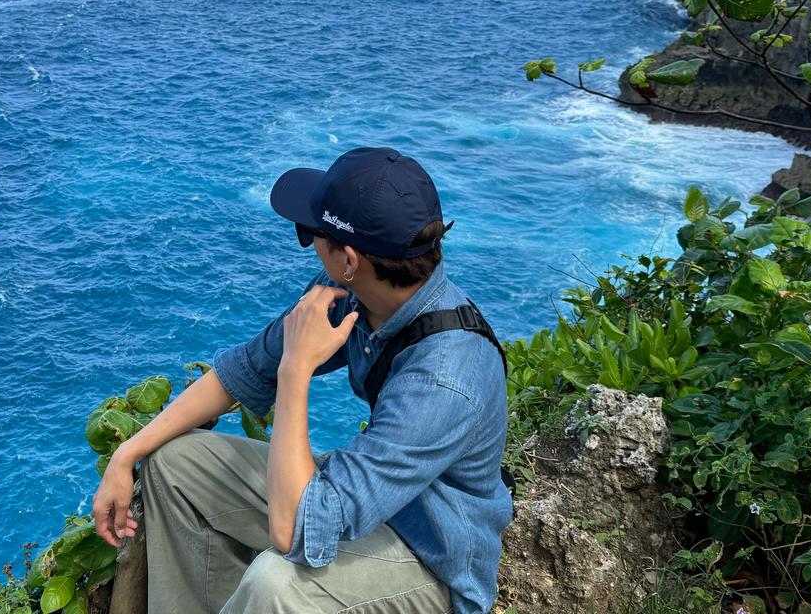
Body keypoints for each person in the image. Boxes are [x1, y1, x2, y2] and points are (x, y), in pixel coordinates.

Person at [93, 147, 513, 613]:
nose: (310, 243)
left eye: (310, 233)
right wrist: (126, 455)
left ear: (350, 260)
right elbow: (245, 370)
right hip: (370, 499)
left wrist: (297, 368)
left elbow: (292, 529)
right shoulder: (352, 296)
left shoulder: (446, 376)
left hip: (431, 563)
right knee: (175, 463)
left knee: (276, 583)